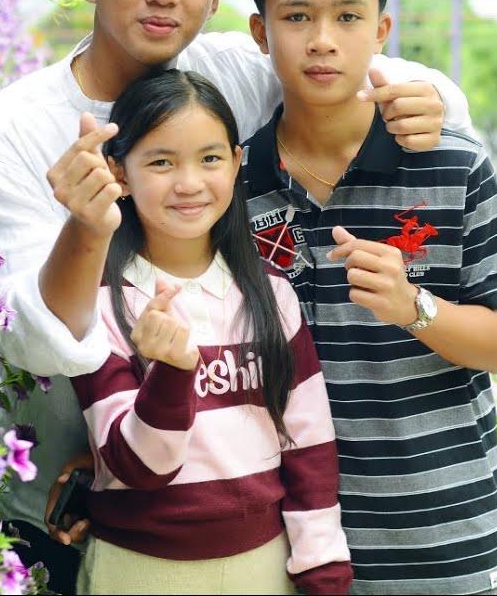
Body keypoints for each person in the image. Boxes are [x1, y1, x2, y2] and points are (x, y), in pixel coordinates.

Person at [0, 0, 469, 593]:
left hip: (235, 503)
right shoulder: (11, 130)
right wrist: (85, 226)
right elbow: (32, 343)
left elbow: (375, 64)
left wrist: (433, 99)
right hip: (73, 509)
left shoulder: (227, 72)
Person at [238, 0, 497, 594]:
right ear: (261, 33)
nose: (323, 39)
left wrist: (413, 306)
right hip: (288, 547)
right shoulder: (233, 182)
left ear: (381, 31)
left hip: (443, 542)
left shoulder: (453, 166)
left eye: (348, 16)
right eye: (297, 16)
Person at [64, 69, 350, 595]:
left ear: (237, 163)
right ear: (118, 173)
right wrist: (172, 374)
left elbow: (309, 447)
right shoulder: (99, 301)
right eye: (161, 162)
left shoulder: (272, 294)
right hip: (138, 568)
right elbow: (139, 467)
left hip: (264, 564)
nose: (190, 183)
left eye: (210, 158)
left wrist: (322, 567)